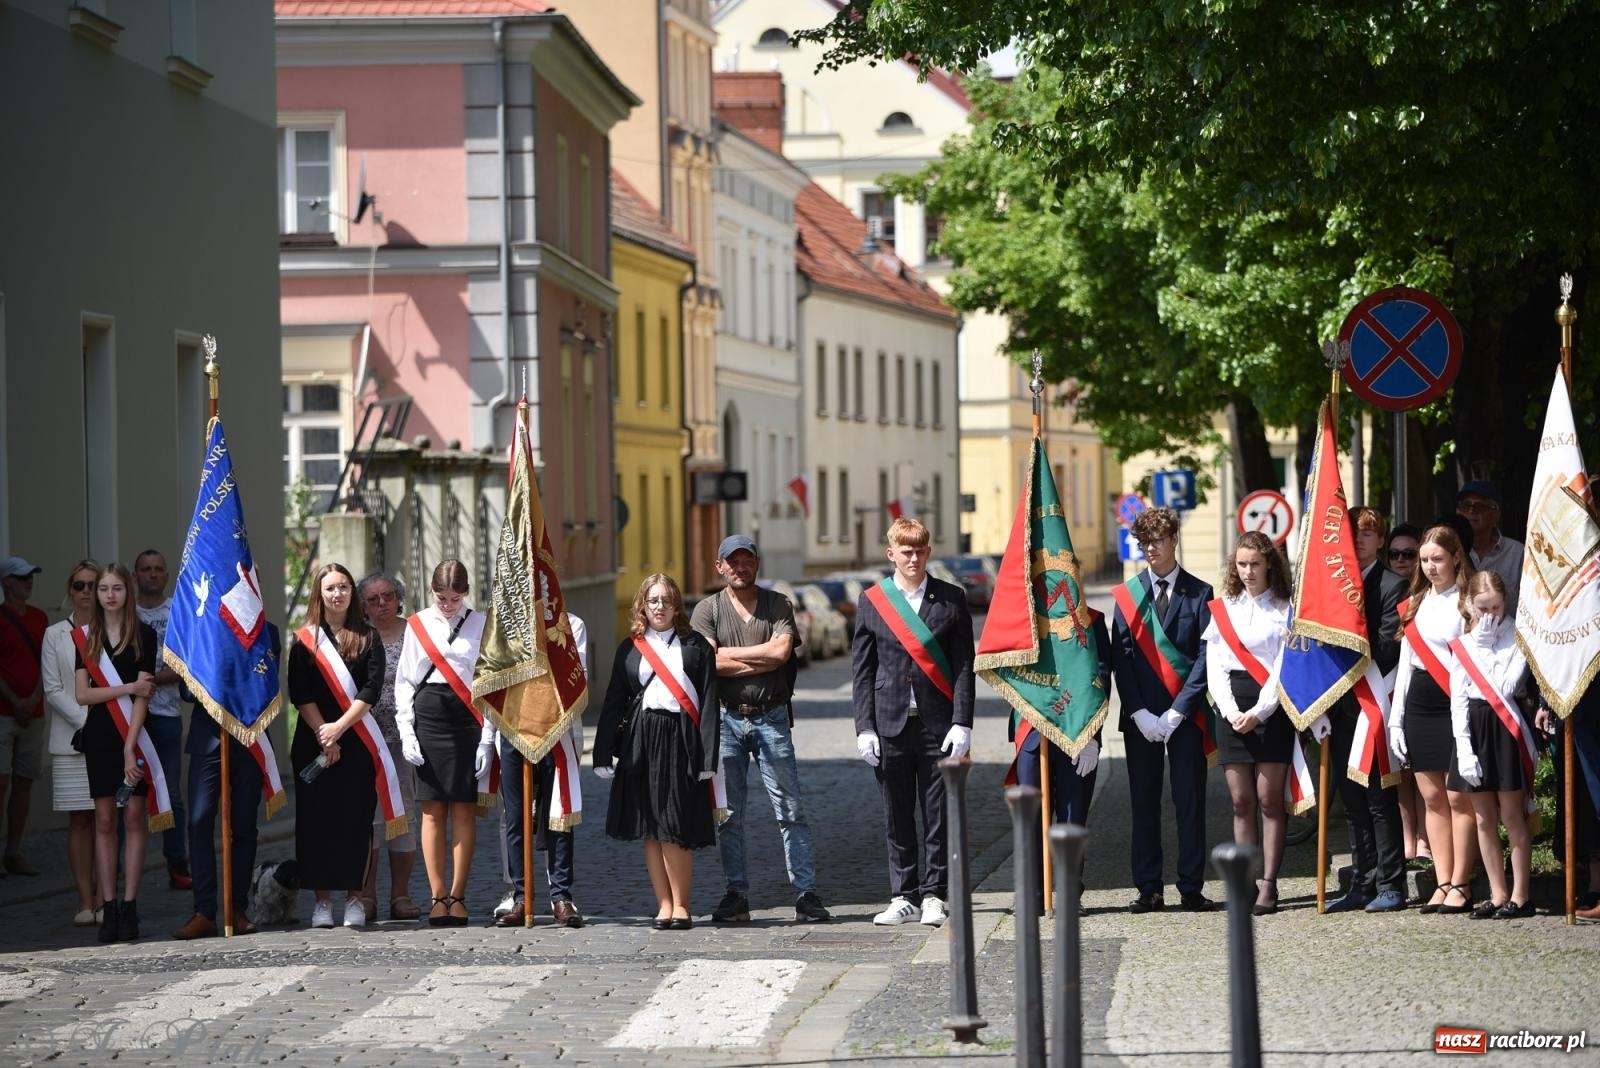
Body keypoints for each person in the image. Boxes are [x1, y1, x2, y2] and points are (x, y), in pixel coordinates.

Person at [690, 534, 829, 924]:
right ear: (720, 567)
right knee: (729, 814)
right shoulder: (707, 610)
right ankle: (737, 893)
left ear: (757, 563)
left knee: (790, 809)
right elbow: (706, 663)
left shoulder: (777, 604)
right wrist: (759, 658)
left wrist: (728, 655)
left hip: (772, 717)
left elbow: (781, 653)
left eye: (746, 559)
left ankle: (805, 893)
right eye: (731, 561)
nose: (739, 566)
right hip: (726, 719)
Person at [852, 517, 976, 927]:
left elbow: (962, 667)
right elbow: (863, 671)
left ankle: (934, 894)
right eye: (905, 551)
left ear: (928, 553)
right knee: (896, 814)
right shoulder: (873, 600)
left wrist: (963, 721)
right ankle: (902, 894)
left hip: (937, 725)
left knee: (937, 814)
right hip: (889, 723)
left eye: (919, 550)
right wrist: (864, 727)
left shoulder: (951, 599)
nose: (913, 557)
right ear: (891, 553)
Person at [594, 574, 720, 930]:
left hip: (681, 738)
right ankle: (664, 905)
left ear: (677, 604)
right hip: (641, 739)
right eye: (653, 601)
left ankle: (682, 904)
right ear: (642, 606)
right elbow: (615, 701)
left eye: (666, 600)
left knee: (674, 822)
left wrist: (708, 758)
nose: (659, 607)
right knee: (649, 825)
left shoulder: (695, 646)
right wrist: (602, 752)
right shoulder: (630, 648)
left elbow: (709, 703)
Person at [1111, 507, 1215, 913]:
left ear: (1174, 541)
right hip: (1141, 718)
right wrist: (1137, 711)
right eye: (1144, 542)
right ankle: (1149, 887)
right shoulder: (1128, 594)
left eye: (1157, 540)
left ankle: (1191, 886)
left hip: (1185, 717)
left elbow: (1205, 658)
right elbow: (1122, 656)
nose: (1151, 548)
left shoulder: (1201, 593)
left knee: (1190, 801)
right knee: (1144, 801)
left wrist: (1178, 712)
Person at [1320, 507, 1410, 914]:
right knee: (1352, 802)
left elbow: (1391, 644)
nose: (1358, 539)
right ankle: (1362, 881)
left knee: (1379, 800)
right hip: (1340, 706)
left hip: (1373, 702)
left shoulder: (1394, 584)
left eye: (1367, 533)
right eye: (1351, 532)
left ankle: (1391, 884)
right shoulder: (1333, 587)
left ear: (1381, 539)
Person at [289, 562, 386, 929]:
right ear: (320, 594)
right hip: (313, 741)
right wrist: (323, 735)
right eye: (330, 588)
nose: (337, 593)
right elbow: (301, 692)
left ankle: (355, 898)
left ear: (352, 593)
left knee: (356, 821)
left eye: (343, 586)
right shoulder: (304, 640)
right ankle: (323, 902)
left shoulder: (369, 636)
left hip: (356, 739)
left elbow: (371, 689)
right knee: (316, 822)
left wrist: (340, 728)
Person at [1203, 532, 1295, 915]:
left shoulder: (1285, 608)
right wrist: (1229, 710)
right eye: (1241, 564)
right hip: (1232, 706)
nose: (1248, 571)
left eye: (1255, 564)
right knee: (1241, 802)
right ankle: (1245, 882)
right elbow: (1215, 664)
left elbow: (1283, 664)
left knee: (1269, 801)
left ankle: (1269, 885)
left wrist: (1260, 710)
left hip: (1271, 707)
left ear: (1269, 564)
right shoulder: (1225, 607)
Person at [395, 560, 489, 927]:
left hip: (468, 718)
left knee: (464, 808)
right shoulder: (417, 624)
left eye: (455, 597)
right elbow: (404, 680)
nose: (448, 604)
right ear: (430, 591)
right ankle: (437, 897)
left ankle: (459, 896)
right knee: (432, 809)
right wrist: (407, 731)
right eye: (441, 597)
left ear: (465, 593)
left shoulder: (481, 623)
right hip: (429, 715)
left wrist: (488, 739)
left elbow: (488, 682)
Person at [172, 624, 279, 940]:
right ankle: (204, 911)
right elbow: (186, 690)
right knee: (199, 820)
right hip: (209, 739)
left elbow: (267, 685)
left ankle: (237, 908)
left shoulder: (267, 631)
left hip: (250, 740)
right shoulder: (201, 630)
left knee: (244, 826)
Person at [1388, 525, 1473, 914]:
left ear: (1456, 557)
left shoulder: (1468, 601)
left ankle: (1462, 882)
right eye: (1425, 560)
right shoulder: (1416, 601)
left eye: (1437, 558)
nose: (1429, 566)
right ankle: (1441, 880)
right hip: (1420, 704)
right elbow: (1406, 663)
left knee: (1459, 798)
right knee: (1433, 798)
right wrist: (1396, 720)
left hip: (1457, 703)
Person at [72, 563, 158, 942]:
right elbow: (82, 694)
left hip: (133, 734)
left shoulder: (144, 635)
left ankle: (130, 905)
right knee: (104, 820)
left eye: (116, 588)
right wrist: (126, 688)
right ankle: (107, 906)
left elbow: (146, 694)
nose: (109, 595)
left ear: (128, 591)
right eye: (103, 589)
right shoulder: (85, 639)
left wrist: (130, 747)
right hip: (100, 736)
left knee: (134, 817)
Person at [1008, 607, 1111, 912]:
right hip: (1031, 729)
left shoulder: (1092, 619)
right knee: (1031, 816)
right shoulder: (1022, 614)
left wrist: (1093, 733)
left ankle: (1068, 890)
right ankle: (1035, 893)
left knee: (1072, 814)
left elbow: (1101, 676)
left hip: (1078, 729)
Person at [1447, 571, 1536, 918]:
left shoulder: (1516, 634)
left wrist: (1486, 648)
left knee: (1512, 815)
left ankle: (1521, 895)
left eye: (1496, 607)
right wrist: (1464, 749)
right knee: (1483, 818)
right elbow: (1457, 699)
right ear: (1470, 605)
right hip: (1473, 726)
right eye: (1482, 608)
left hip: (1505, 728)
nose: (1490, 616)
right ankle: (1498, 893)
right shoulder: (1464, 640)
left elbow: (1509, 685)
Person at [493, 611, 588, 929]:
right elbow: (490, 679)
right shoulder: (504, 625)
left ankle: (561, 895)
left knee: (558, 815)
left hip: (555, 729)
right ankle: (520, 896)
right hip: (513, 729)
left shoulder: (570, 625)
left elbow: (577, 676)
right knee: (516, 818)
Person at [355, 572, 420, 922]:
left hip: (404, 738)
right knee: (369, 817)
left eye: (389, 596)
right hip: (365, 737)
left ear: (399, 598)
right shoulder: (357, 637)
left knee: (403, 814)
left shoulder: (415, 634)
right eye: (374, 599)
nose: (382, 604)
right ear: (363, 604)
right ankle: (366, 895)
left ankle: (401, 894)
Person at [41, 559, 102, 923]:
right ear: (70, 589)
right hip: (71, 740)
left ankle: (103, 895)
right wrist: (87, 721)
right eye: (79, 585)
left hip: (111, 735)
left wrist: (103, 725)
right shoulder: (54, 635)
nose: (85, 592)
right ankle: (83, 900)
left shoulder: (113, 629)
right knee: (79, 820)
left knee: (107, 819)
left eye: (92, 585)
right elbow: (52, 689)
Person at [133, 550, 190, 891]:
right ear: (136, 575)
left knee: (172, 796)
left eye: (158, 569)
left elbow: (186, 663)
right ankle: (122, 868)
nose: (152, 574)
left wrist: (150, 680)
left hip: (166, 714)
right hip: (127, 717)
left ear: (166, 575)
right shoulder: (126, 613)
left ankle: (177, 863)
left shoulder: (178, 613)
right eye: (145, 569)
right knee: (128, 793)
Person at [0, 555, 48, 877]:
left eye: (30, 577)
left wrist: (32, 699)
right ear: (6, 583)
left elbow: (48, 662)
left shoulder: (40, 618)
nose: (27, 582)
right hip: (3, 712)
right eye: (20, 578)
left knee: (23, 783)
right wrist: (15, 700)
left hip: (34, 712)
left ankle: (14, 851)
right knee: (0, 782)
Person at [1384, 522, 1429, 865]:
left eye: (1409, 553)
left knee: (1422, 769)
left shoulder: (1428, 595)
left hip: (1423, 688)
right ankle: (1407, 836)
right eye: (1394, 553)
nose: (1401, 559)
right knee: (1399, 769)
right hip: (1388, 686)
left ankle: (1426, 838)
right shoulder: (1387, 591)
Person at [1456, 481, 1524, 611]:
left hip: (1507, 630)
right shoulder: (1449, 551)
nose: (1471, 510)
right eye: (1466, 505)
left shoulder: (1517, 553)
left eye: (1479, 506)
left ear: (1496, 514)